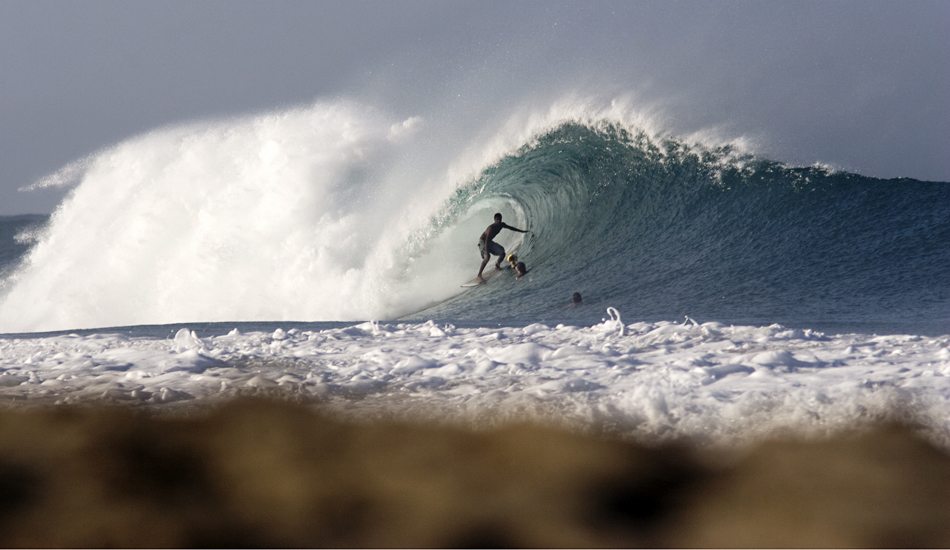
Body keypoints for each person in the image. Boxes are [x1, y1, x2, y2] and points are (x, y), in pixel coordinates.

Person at [476, 213, 528, 283]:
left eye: (500, 219)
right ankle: (479, 275)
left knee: (502, 253)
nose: (499, 221)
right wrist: (486, 252)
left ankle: (497, 265)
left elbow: (511, 228)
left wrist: (522, 231)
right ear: (494, 220)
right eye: (497, 219)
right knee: (487, 257)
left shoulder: (502, 225)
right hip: (483, 241)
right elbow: (486, 241)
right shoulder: (491, 228)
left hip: (489, 241)